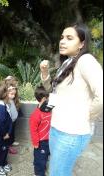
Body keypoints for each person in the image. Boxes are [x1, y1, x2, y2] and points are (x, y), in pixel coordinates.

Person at [40, 23, 103, 176]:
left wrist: (87, 116)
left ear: (82, 43)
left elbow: (101, 95)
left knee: (58, 173)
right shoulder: (68, 62)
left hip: (71, 133)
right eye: (62, 37)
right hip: (57, 128)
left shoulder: (86, 60)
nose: (62, 41)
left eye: (69, 38)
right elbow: (51, 90)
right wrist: (44, 72)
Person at [29, 86, 51, 176]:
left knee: (45, 157)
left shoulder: (50, 110)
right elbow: (33, 130)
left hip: (49, 139)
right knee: (40, 159)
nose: (49, 101)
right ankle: (38, 173)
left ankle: (42, 168)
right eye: (47, 98)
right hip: (41, 142)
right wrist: (35, 143)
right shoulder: (36, 114)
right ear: (42, 99)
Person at [0, 82, 13, 176]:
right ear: (4, 94)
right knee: (1, 150)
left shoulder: (1, 104)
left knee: (4, 150)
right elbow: (1, 123)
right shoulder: (0, 107)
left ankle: (3, 163)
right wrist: (5, 134)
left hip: (3, 134)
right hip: (2, 135)